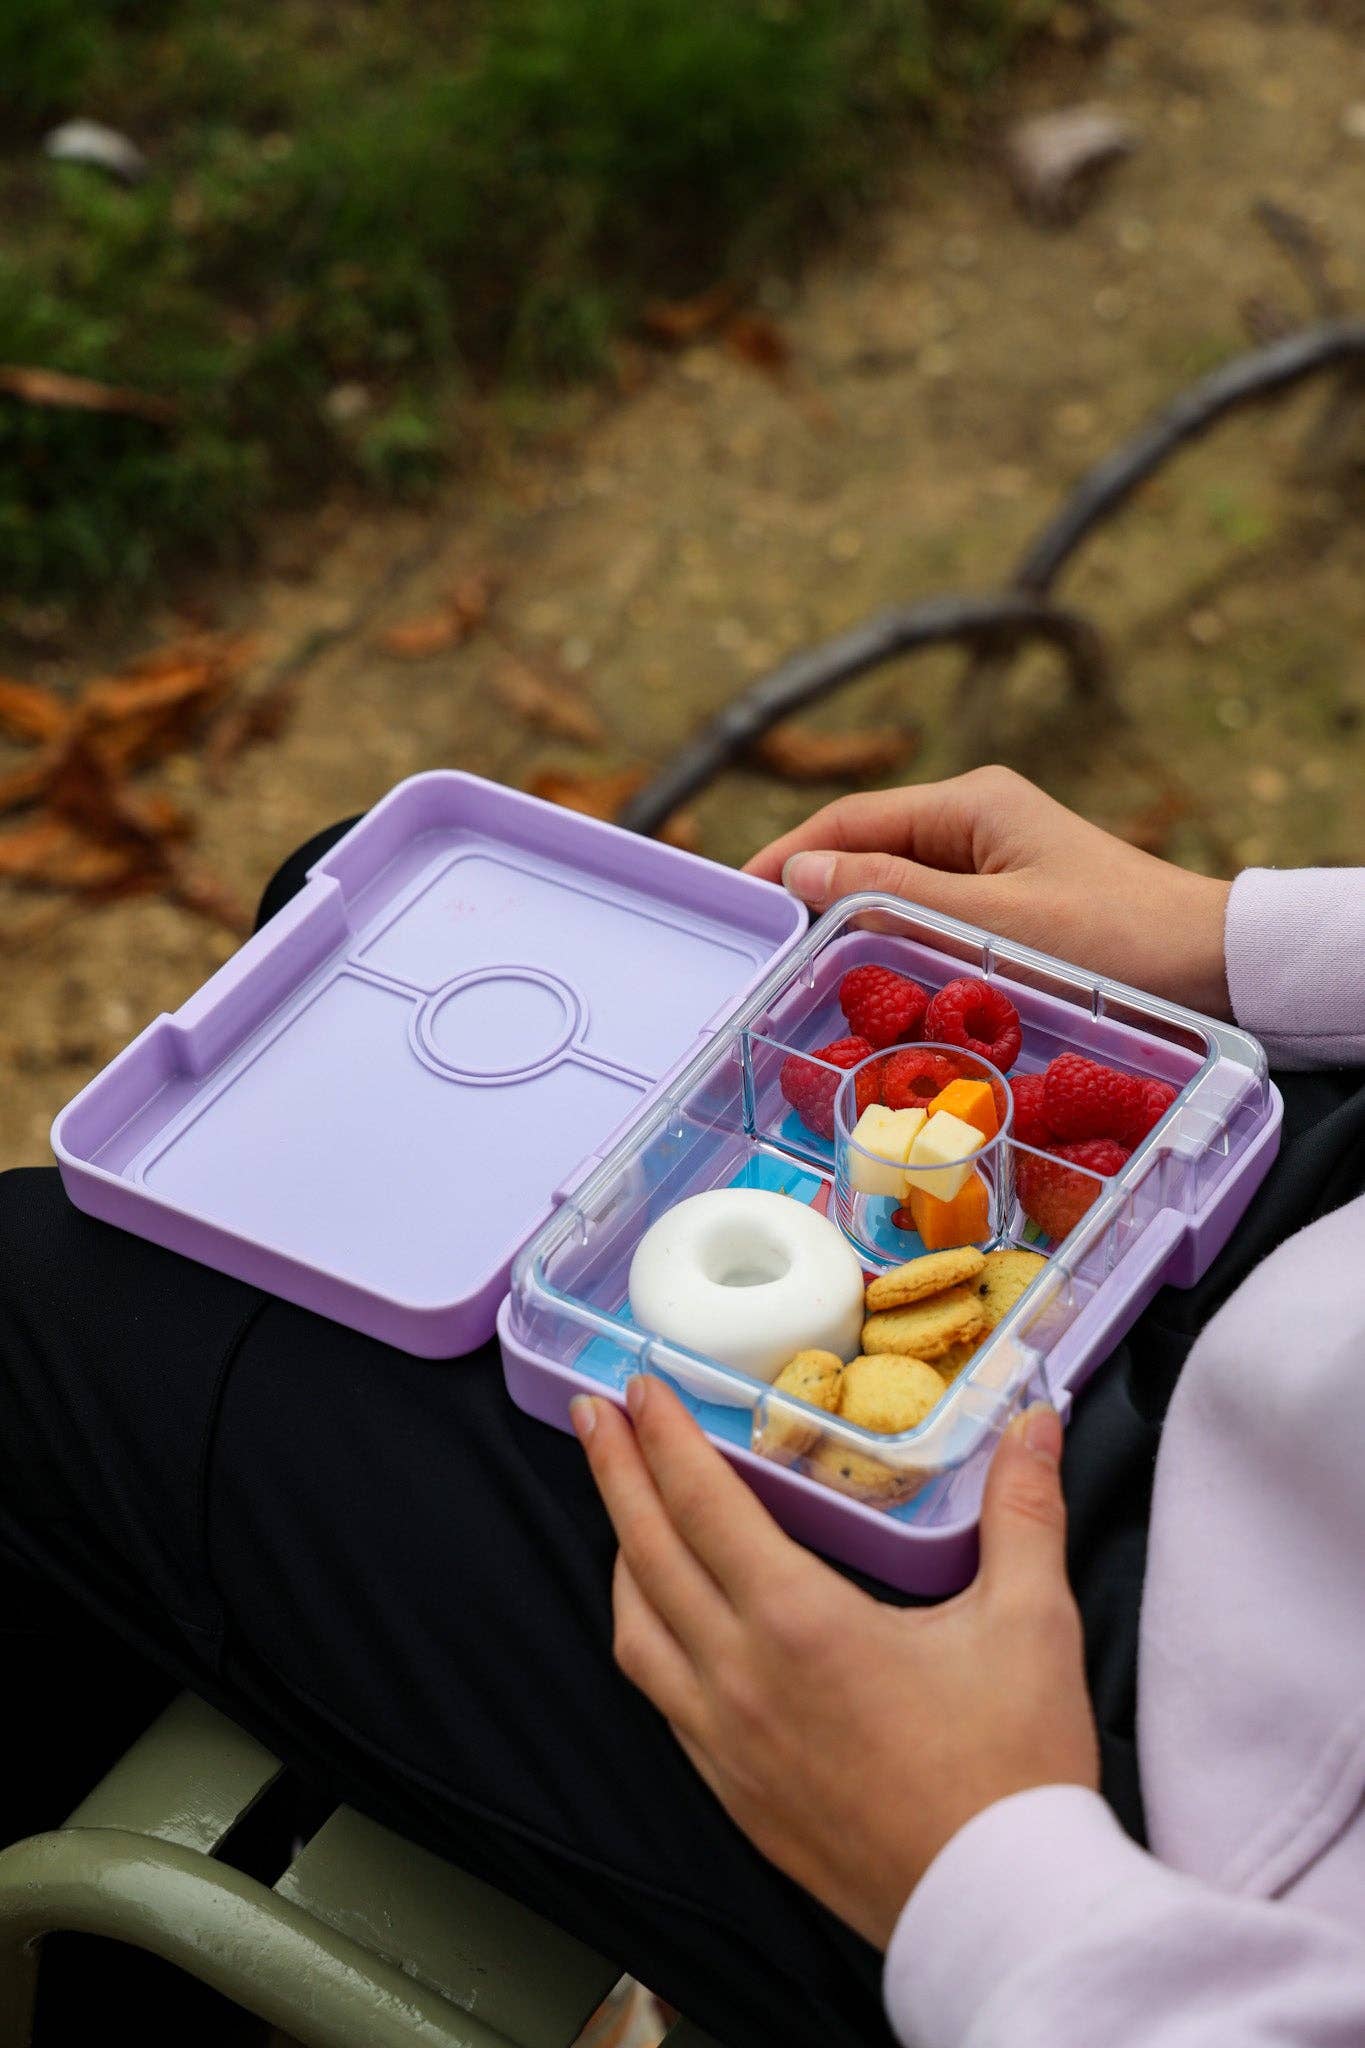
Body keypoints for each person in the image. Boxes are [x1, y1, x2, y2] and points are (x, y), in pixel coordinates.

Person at [2, 765, 1363, 2046]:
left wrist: (984, 1870)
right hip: (1294, 1220)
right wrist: (1261, 946)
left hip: (1121, 1814)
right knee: (341, 893)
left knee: (40, 1297)